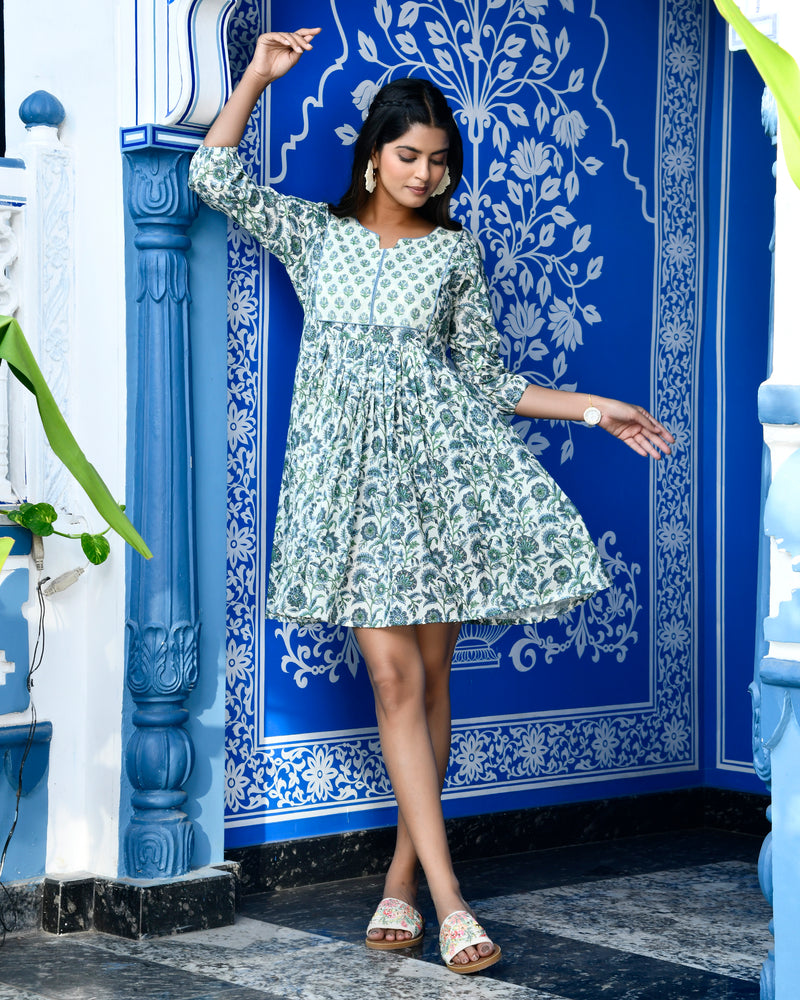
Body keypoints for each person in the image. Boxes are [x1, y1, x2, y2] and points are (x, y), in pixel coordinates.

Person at [189, 27, 674, 975]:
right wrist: (254, 77)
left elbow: (490, 381)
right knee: (394, 681)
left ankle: (404, 881)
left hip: (441, 480)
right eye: (408, 155)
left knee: (433, 681)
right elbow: (214, 178)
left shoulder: (454, 255)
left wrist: (596, 408)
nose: (424, 174)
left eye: (440, 161)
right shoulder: (316, 235)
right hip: (346, 489)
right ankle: (454, 902)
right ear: (374, 156)